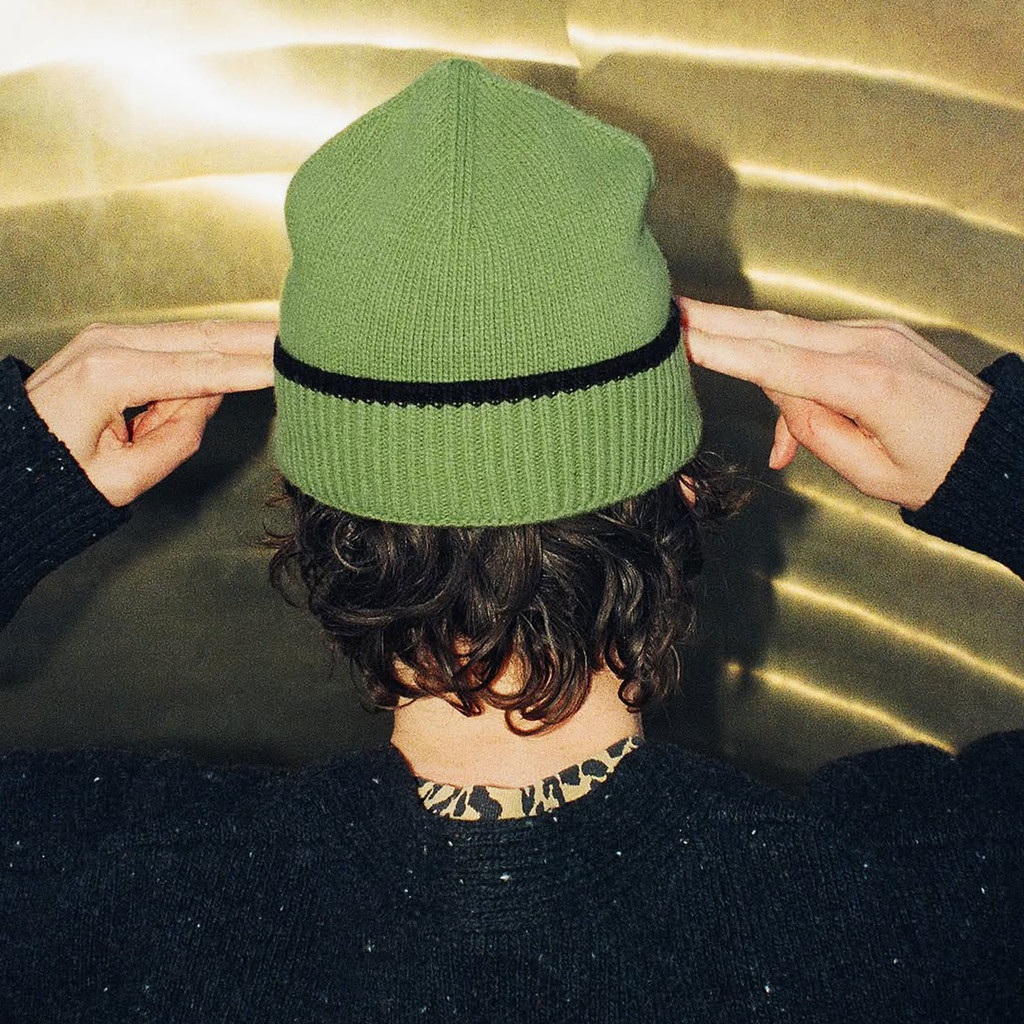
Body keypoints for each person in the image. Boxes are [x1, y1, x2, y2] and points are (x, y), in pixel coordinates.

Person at [1, 56, 1021, 1023]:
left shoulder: (100, 907)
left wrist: (19, 481)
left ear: (309, 521)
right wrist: (995, 461)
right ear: (683, 495)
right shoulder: (918, 908)